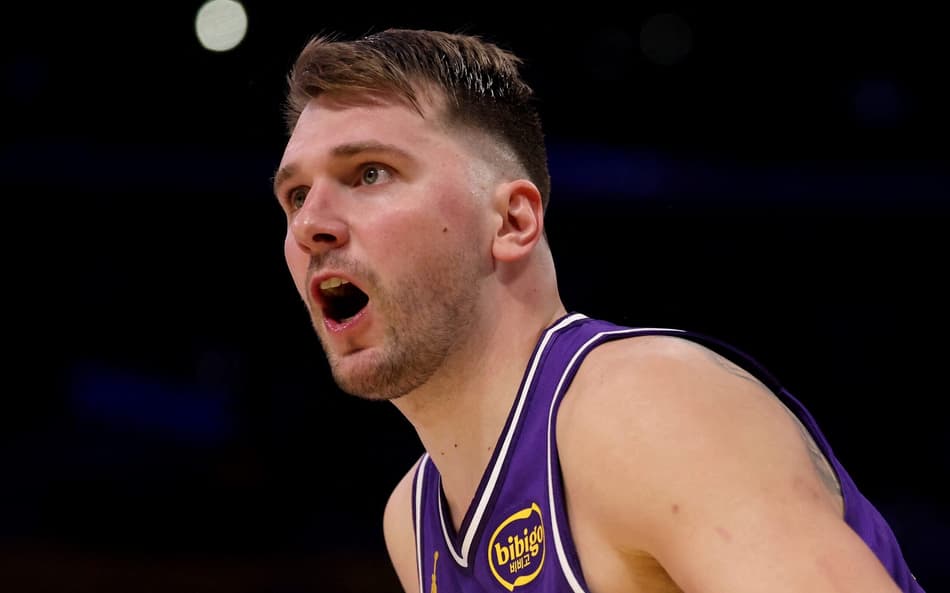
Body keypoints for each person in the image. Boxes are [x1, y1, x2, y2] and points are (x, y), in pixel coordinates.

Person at [270, 28, 926, 593]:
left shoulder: (641, 408)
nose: (311, 225)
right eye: (296, 195)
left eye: (369, 174)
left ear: (512, 220)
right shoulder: (413, 517)